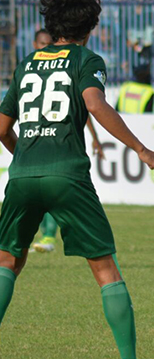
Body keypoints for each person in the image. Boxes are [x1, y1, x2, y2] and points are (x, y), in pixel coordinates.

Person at [0, 0, 154, 359]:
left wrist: (26, 155)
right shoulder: (86, 60)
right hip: (68, 174)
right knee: (105, 269)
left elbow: (2, 127)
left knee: (7, 262)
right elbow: (95, 104)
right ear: (90, 26)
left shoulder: (27, 63)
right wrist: (141, 148)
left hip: (22, 173)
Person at [30, 29, 106, 254]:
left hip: (58, 146)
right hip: (37, 142)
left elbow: (84, 106)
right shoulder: (31, 68)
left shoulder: (56, 67)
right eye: (41, 43)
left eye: (48, 43)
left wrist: (94, 137)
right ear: (35, 43)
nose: (44, 47)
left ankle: (48, 237)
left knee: (50, 194)